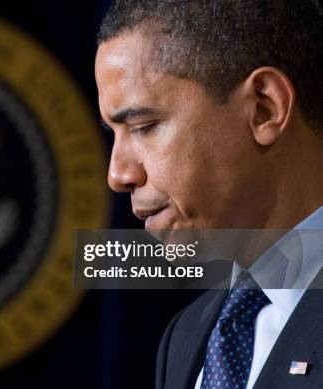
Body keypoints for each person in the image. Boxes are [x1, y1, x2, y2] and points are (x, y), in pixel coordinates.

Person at [94, 1, 323, 388]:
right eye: (113, 133)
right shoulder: (185, 338)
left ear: (264, 109)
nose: (118, 175)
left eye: (145, 126)